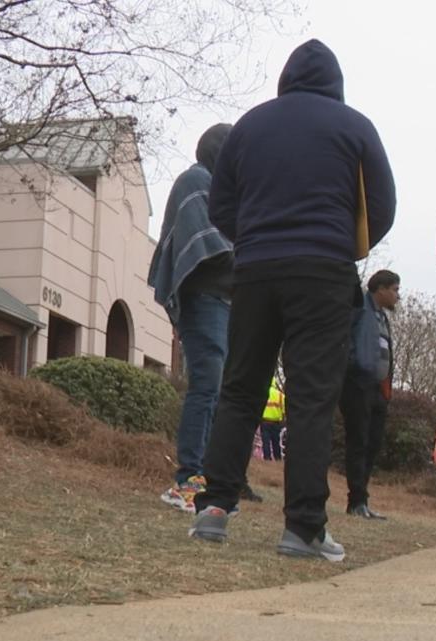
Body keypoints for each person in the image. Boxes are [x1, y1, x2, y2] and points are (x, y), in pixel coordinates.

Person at [189, 39, 396, 564]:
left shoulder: (250, 126)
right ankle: (303, 527)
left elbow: (221, 205)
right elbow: (383, 207)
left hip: (255, 271)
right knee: (311, 398)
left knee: (240, 388)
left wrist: (253, 238)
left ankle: (214, 506)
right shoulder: (356, 127)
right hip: (323, 274)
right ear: (336, 83)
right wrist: (344, 244)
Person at [149, 123, 236, 514]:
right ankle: (187, 479)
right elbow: (209, 247)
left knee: (219, 393)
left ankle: (212, 481)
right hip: (204, 301)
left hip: (227, 303)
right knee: (206, 387)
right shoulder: (195, 181)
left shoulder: (226, 191)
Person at [339, 269, 399, 519]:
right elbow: (344, 336)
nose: (398, 295)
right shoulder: (359, 308)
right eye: (395, 289)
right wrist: (352, 364)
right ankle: (356, 501)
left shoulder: (382, 317)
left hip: (378, 388)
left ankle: (362, 498)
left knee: (373, 442)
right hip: (357, 383)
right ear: (381, 288)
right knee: (359, 440)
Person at [261, 378, 286, 461]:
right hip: (276, 422)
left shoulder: (263, 392)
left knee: (266, 441)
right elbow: (284, 410)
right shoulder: (280, 395)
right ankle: (278, 458)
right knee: (276, 441)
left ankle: (267, 458)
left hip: (264, 421)